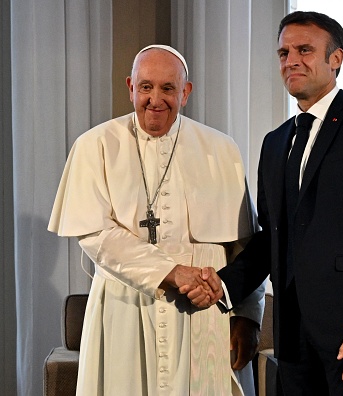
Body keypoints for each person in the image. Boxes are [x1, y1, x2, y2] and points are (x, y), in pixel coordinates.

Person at [189, 11, 343, 395]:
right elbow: (270, 238)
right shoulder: (274, 143)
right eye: (283, 52)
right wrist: (222, 287)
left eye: (304, 50)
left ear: (336, 58)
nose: (291, 60)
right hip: (291, 336)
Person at [48, 44, 265, 395]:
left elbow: (245, 244)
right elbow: (94, 235)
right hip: (126, 310)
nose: (155, 99)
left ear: (186, 92)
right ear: (131, 86)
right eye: (146, 87)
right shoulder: (95, 145)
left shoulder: (221, 149)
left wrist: (248, 316)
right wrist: (172, 272)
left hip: (203, 316)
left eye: (168, 88)